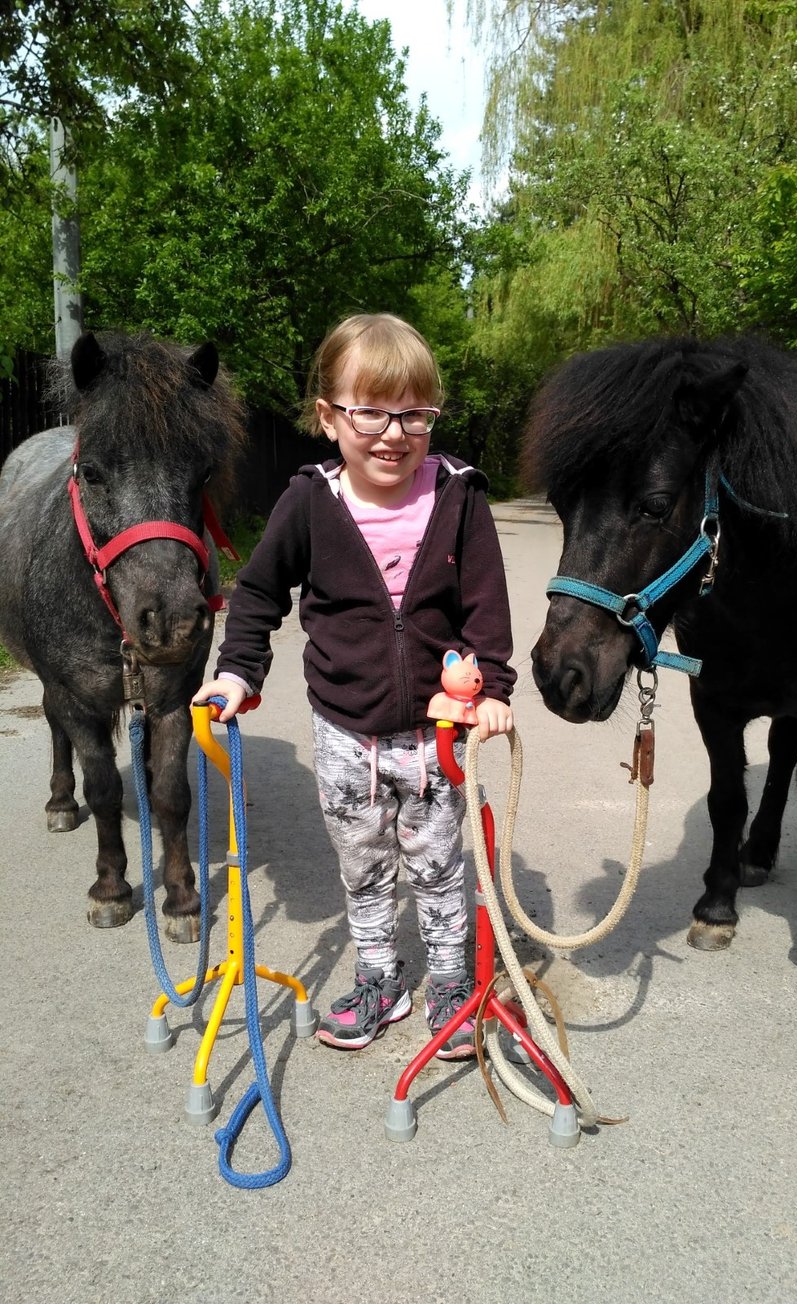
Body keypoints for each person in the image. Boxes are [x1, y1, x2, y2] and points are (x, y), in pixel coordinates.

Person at [194, 313, 516, 1060]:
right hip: (344, 735)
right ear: (329, 416)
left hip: (436, 734)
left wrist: (493, 688)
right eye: (370, 410)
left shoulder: (459, 496)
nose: (393, 433)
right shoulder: (309, 502)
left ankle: (448, 983)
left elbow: (487, 606)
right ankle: (381, 978)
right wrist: (239, 671)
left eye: (414, 413)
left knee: (438, 867)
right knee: (363, 866)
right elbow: (258, 595)